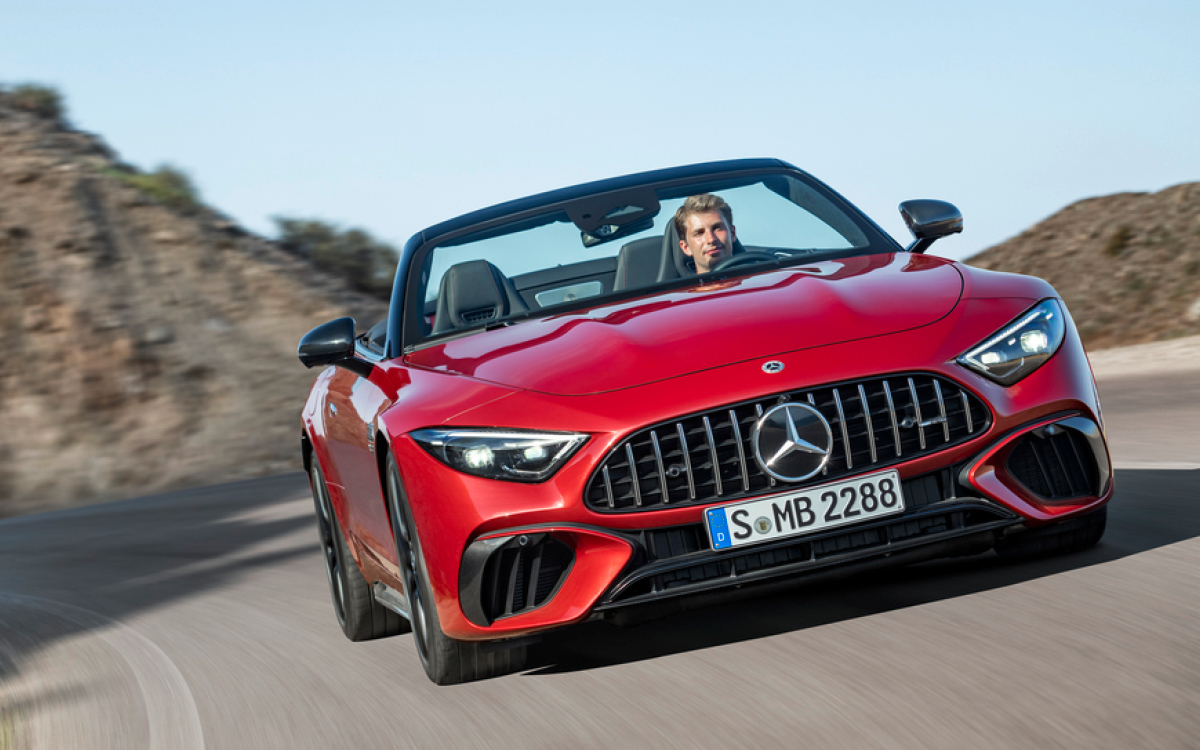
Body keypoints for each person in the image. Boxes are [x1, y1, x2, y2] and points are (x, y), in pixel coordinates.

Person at [673, 193, 737, 275]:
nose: (711, 239)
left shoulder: (758, 280)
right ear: (686, 247)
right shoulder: (680, 288)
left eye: (717, 228)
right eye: (699, 233)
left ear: (732, 233)